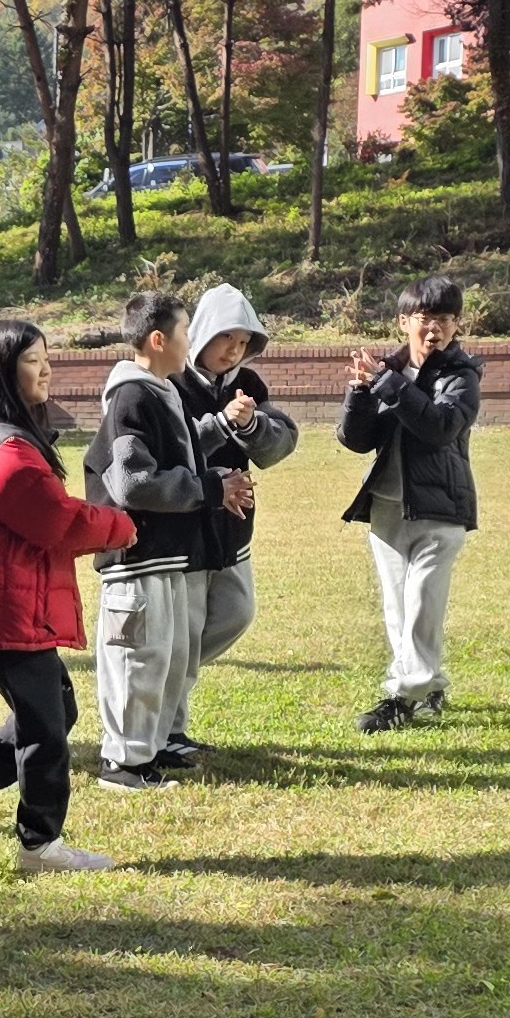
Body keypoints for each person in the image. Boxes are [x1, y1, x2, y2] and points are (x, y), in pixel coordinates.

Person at [0, 318, 132, 874]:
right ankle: (39, 844)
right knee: (45, 727)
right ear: (2, 372)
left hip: (7, 599)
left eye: (46, 358)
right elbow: (54, 522)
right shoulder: (5, 448)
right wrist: (121, 525)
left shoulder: (4, 436)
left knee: (55, 711)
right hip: (2, 604)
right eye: (33, 360)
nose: (46, 370)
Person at [85, 290, 233, 791]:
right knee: (136, 659)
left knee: (164, 657)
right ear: (157, 339)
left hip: (166, 555)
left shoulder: (161, 391)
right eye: (185, 331)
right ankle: (123, 764)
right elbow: (132, 482)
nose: (191, 341)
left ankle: (149, 750)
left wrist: (216, 454)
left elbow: (179, 452)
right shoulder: (131, 397)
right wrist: (209, 489)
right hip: (136, 556)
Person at [340, 278, 482, 732]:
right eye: (425, 318)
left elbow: (440, 427)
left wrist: (386, 384)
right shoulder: (388, 372)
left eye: (444, 319)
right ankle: (429, 686)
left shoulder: (462, 376)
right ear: (404, 322)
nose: (434, 328)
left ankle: (402, 696)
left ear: (456, 325)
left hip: (440, 508)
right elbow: (356, 440)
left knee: (422, 601)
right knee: (399, 609)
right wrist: (360, 392)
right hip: (387, 507)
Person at [176, 281, 301, 764]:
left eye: (244, 340)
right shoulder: (170, 381)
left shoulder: (250, 384)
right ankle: (170, 728)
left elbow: (279, 445)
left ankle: (166, 683)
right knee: (184, 630)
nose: (234, 349)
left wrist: (251, 425)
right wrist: (221, 427)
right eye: (226, 336)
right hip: (186, 526)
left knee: (236, 613)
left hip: (234, 528)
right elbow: (169, 451)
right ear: (203, 331)